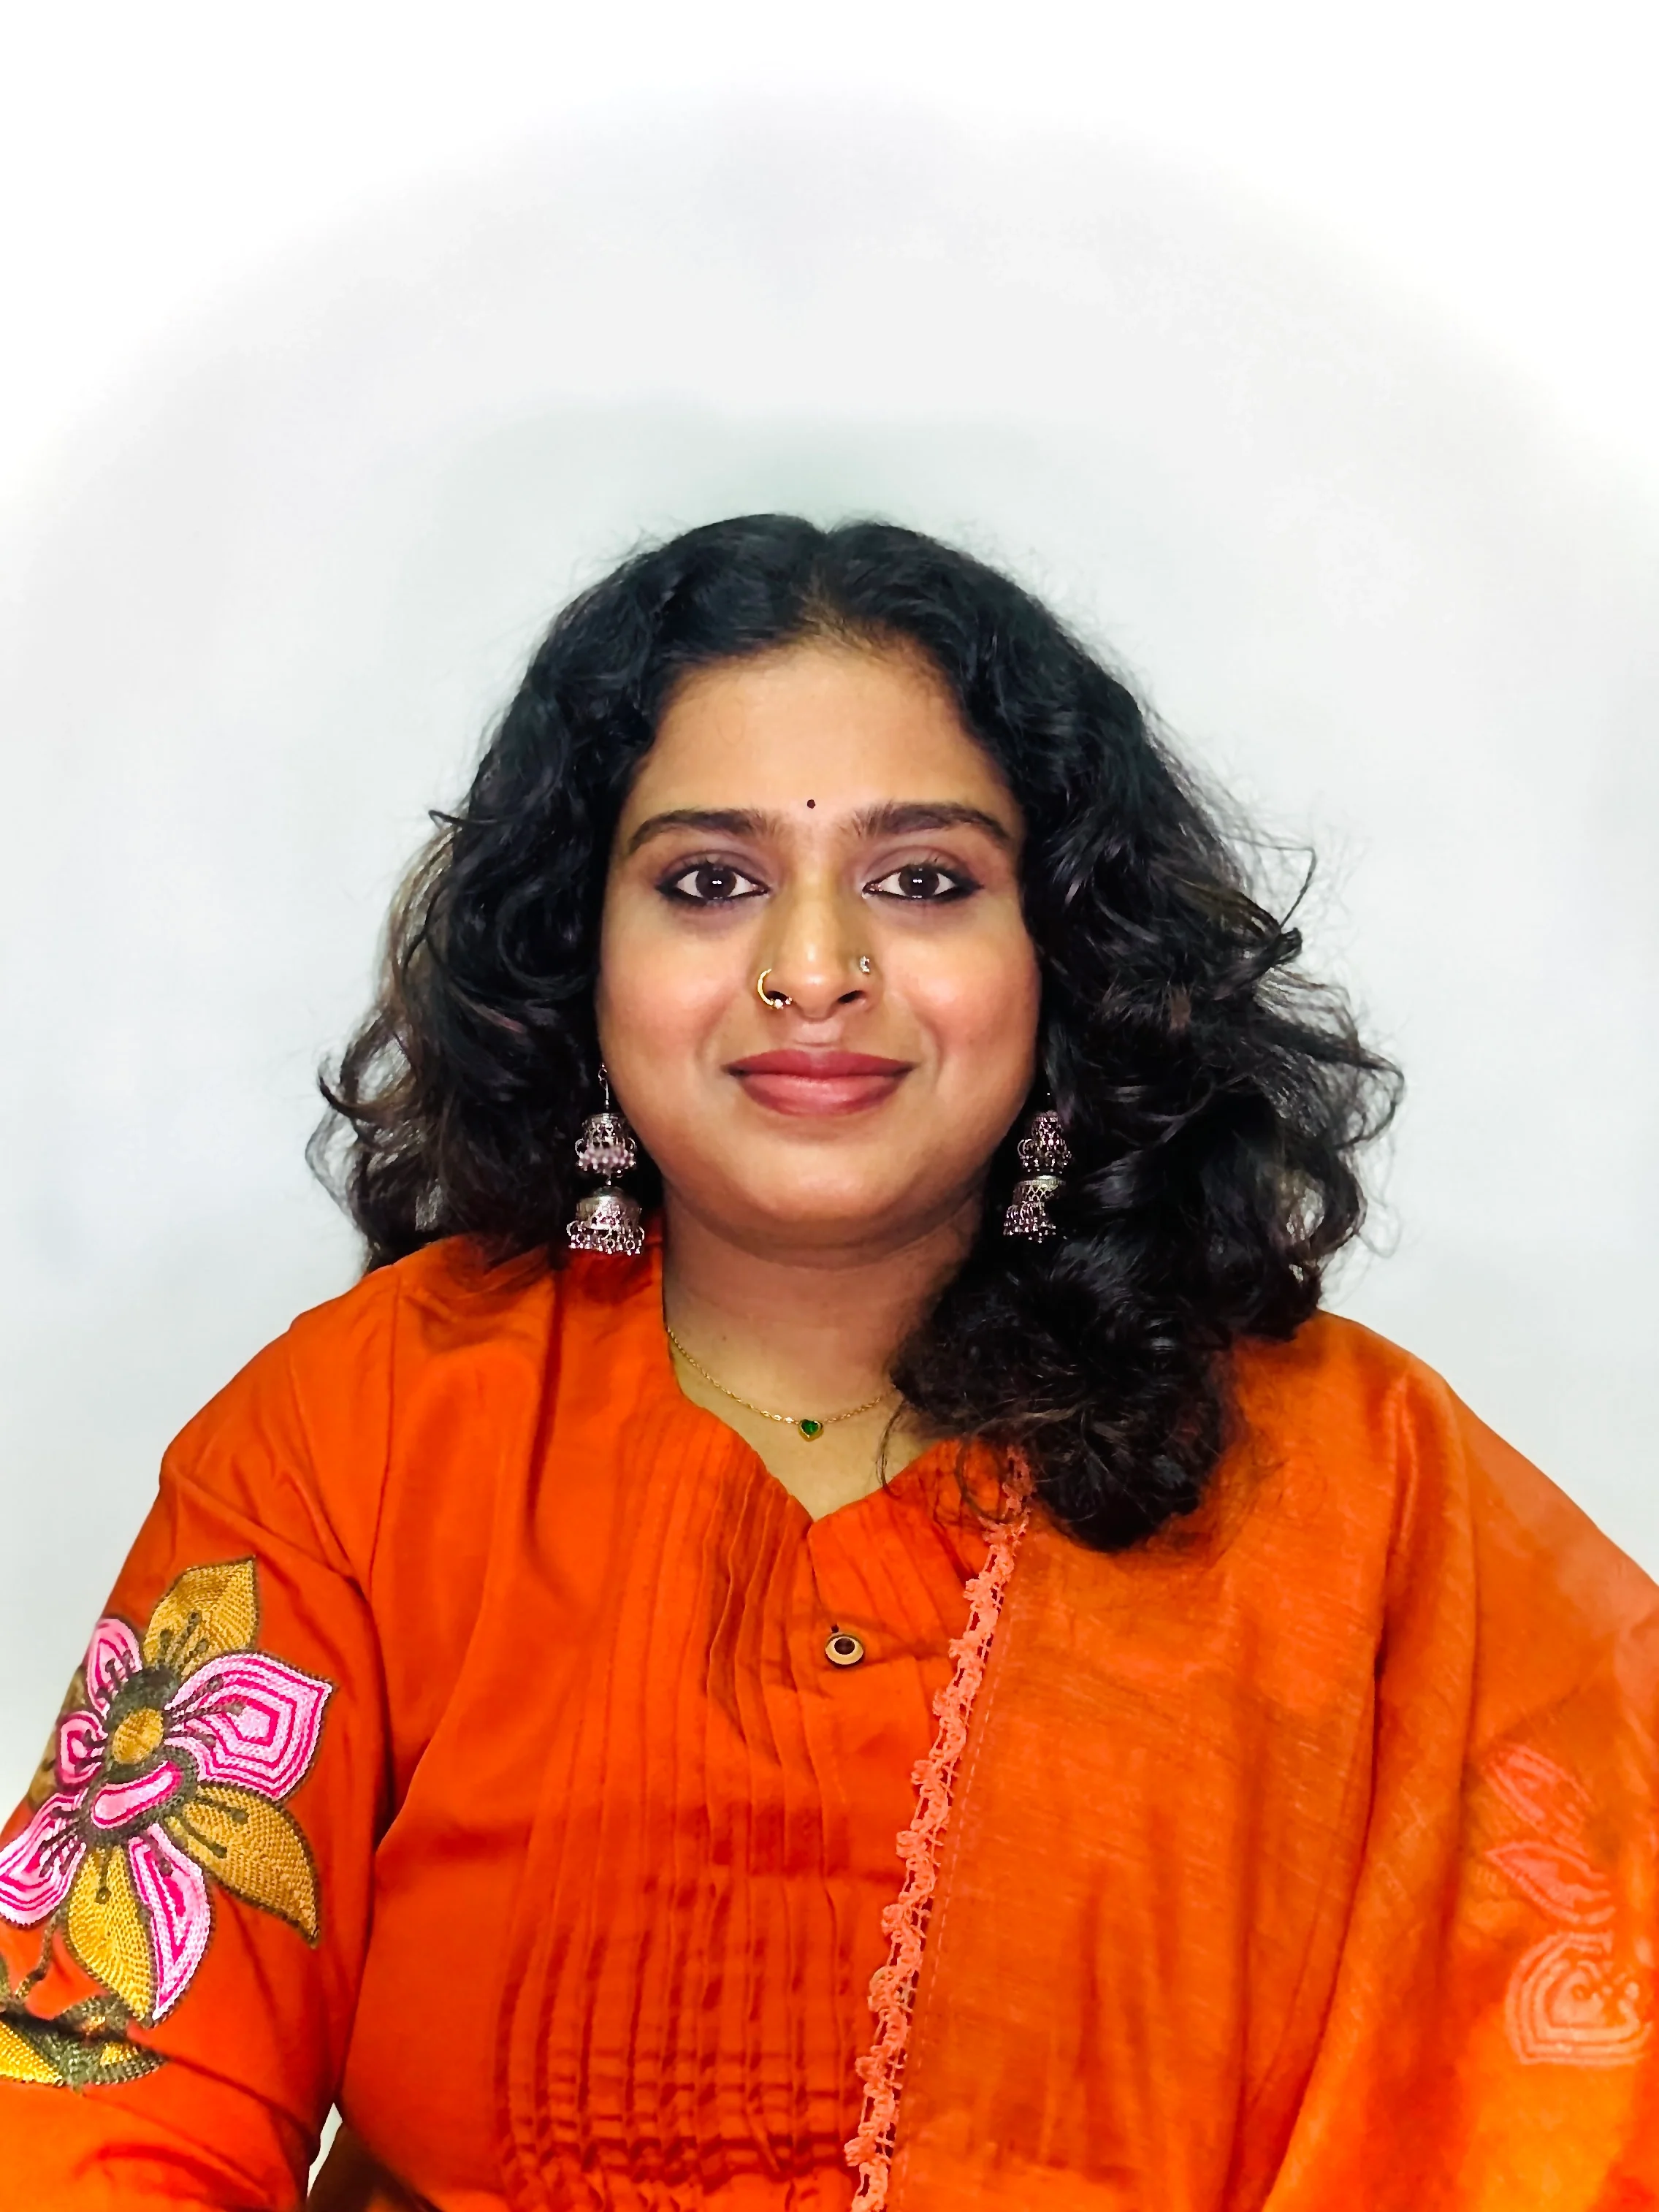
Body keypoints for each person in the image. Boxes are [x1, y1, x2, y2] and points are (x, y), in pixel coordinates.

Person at [0, 516, 1652, 2211]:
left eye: (923, 881)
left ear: (1063, 957)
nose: (813, 970)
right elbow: (92, 2097)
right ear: (584, 958)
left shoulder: (1346, 1478)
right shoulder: (368, 1429)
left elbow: (1595, 2057)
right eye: (706, 881)